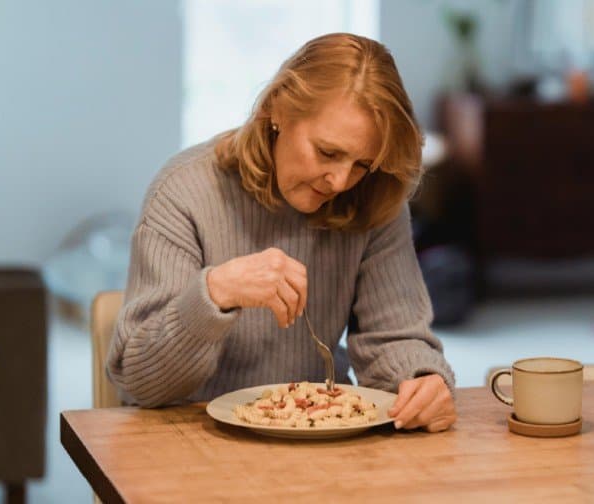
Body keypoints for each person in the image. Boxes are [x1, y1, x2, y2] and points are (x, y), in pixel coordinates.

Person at [107, 33, 456, 432]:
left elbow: (394, 338)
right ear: (278, 109)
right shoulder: (183, 191)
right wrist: (215, 293)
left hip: (321, 439)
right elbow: (141, 383)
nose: (341, 181)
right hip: (191, 439)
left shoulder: (374, 197)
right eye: (327, 152)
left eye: (362, 164)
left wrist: (419, 381)